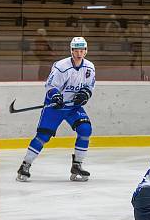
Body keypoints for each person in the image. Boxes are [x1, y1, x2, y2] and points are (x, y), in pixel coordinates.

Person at [16, 37, 95, 182]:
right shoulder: (61, 67)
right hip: (55, 107)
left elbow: (89, 86)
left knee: (85, 129)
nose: (79, 53)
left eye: (82, 50)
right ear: (71, 51)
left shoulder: (89, 67)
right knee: (43, 136)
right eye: (76, 50)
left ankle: (77, 164)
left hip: (73, 107)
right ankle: (25, 165)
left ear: (86, 51)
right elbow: (50, 86)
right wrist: (56, 97)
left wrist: (84, 94)